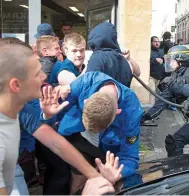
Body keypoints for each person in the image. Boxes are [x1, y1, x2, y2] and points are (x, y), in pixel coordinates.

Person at [0, 43, 121, 195]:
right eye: (37, 74)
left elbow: (54, 142)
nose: (45, 77)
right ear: (16, 85)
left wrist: (95, 176)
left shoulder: (19, 106)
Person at [41, 71, 143, 193]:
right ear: (86, 101)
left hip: (109, 150)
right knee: (78, 181)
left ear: (118, 112)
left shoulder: (132, 111)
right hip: (80, 139)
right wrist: (47, 116)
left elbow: (130, 156)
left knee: (104, 186)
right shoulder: (86, 82)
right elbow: (55, 113)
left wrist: (118, 172)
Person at [141, 45, 189, 156]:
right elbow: (164, 99)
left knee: (175, 142)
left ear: (180, 60)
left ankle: (176, 170)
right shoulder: (175, 73)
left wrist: (176, 88)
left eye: (171, 60)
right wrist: (146, 116)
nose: (169, 63)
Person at [86, 22, 140, 87]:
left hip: (102, 96)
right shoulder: (122, 59)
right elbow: (137, 73)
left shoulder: (97, 57)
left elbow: (88, 84)